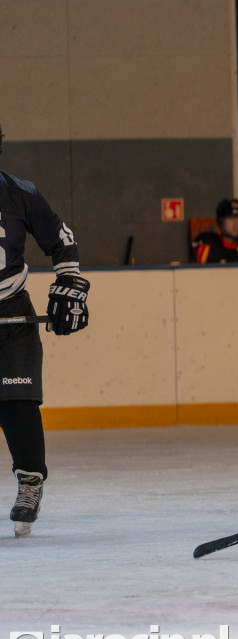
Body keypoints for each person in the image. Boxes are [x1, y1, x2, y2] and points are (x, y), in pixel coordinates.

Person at [0, 121, 90, 538]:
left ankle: (30, 481)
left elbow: (62, 239)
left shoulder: (21, 193)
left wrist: (69, 281)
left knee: (18, 402)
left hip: (11, 316)